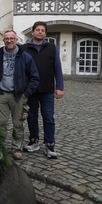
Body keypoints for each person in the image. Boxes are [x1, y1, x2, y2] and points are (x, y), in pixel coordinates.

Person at [0, 30, 39, 160]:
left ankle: (16, 148)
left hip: (18, 95)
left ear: (16, 40)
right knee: (0, 123)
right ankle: (1, 148)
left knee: (18, 123)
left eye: (12, 38)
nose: (9, 41)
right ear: (3, 41)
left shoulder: (25, 56)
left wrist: (26, 93)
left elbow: (34, 77)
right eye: (6, 39)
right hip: (1, 94)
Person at [21, 21, 64, 159]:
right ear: (32, 32)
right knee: (31, 117)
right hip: (30, 90)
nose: (40, 32)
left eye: (43, 30)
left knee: (48, 117)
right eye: (38, 30)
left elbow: (57, 68)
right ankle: (34, 141)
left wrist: (59, 87)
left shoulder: (51, 48)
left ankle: (50, 144)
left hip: (47, 89)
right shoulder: (24, 48)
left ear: (45, 33)